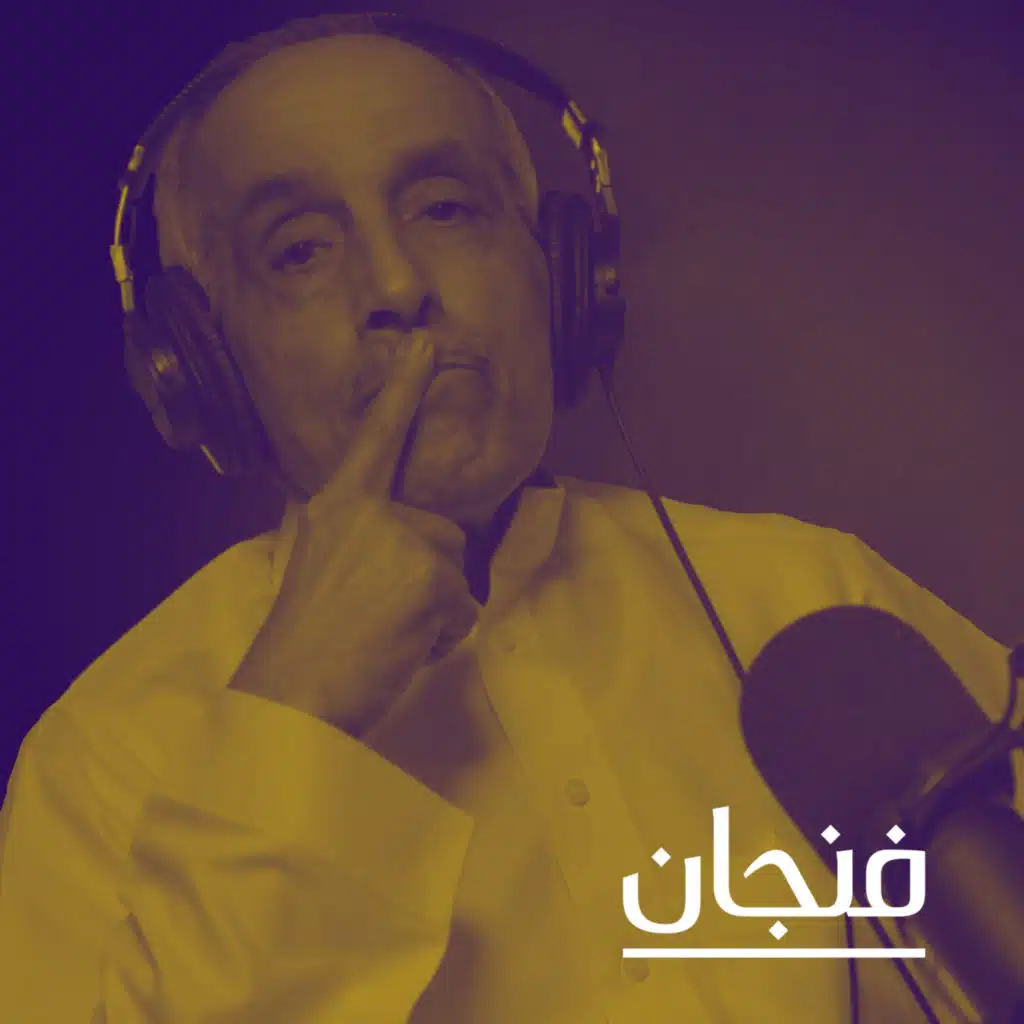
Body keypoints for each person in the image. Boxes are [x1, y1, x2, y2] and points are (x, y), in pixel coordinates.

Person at [0, 14, 1015, 1023]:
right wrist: (296, 716)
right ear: (203, 365)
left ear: (561, 274)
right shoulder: (100, 762)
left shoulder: (814, 603)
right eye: (300, 251)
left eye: (445, 210)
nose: (397, 286)